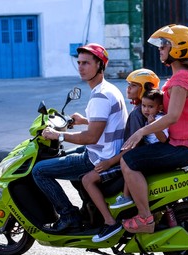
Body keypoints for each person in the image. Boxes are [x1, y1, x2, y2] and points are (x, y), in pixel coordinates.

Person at [120, 24, 188, 234]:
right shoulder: (180, 76)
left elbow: (172, 117)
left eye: (164, 45)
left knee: (128, 160)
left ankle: (145, 218)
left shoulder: (181, 79)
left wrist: (141, 131)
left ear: (178, 48)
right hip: (185, 142)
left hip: (187, 145)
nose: (160, 49)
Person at [32, 43, 128, 233]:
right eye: (79, 63)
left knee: (39, 171)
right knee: (65, 157)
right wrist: (83, 120)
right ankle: (90, 208)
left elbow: (91, 137)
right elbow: (104, 123)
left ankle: (68, 215)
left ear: (100, 66)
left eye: (86, 63)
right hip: (107, 150)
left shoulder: (100, 96)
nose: (81, 67)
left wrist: (58, 135)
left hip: (98, 158)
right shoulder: (108, 89)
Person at [81, 69, 160, 242]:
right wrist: (84, 121)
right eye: (128, 85)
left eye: (133, 86)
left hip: (124, 159)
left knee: (87, 179)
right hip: (124, 155)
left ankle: (110, 223)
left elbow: (133, 148)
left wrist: (109, 162)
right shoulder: (141, 110)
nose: (128, 89)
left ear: (145, 88)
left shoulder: (139, 113)